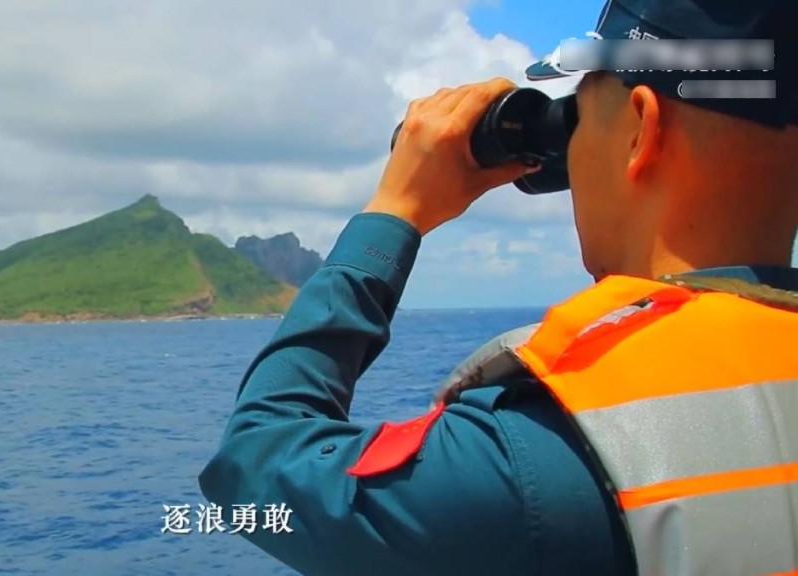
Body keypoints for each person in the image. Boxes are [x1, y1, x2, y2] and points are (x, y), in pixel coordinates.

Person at [198, 0, 798, 574]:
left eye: (580, 118)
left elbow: (255, 462)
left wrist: (395, 210)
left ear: (641, 127)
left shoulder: (533, 454)